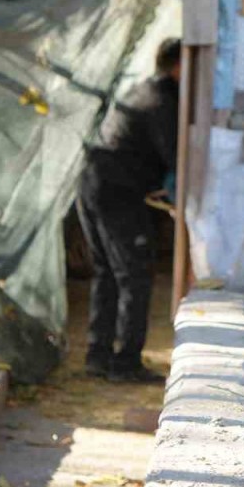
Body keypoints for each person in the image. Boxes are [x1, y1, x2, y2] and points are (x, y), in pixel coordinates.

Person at [76, 37, 181, 383]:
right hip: (116, 191)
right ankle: (126, 364)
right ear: (179, 66)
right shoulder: (163, 101)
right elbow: (175, 157)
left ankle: (98, 356)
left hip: (92, 183)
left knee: (108, 272)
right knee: (135, 274)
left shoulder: (142, 90)